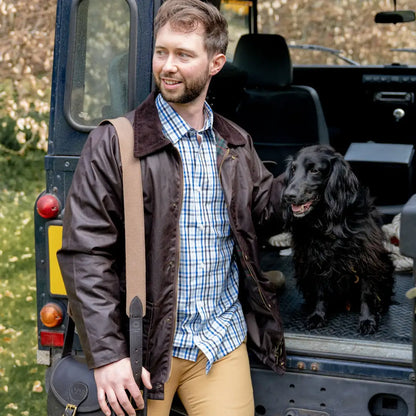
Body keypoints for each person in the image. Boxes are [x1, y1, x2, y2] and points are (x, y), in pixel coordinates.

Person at [57, 0, 286, 415]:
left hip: (221, 340)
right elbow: (84, 254)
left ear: (216, 63)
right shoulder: (114, 143)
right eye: (161, 52)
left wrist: (309, 182)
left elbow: (265, 212)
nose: (168, 66)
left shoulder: (235, 142)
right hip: (145, 350)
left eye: (184, 55)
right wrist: (108, 356)